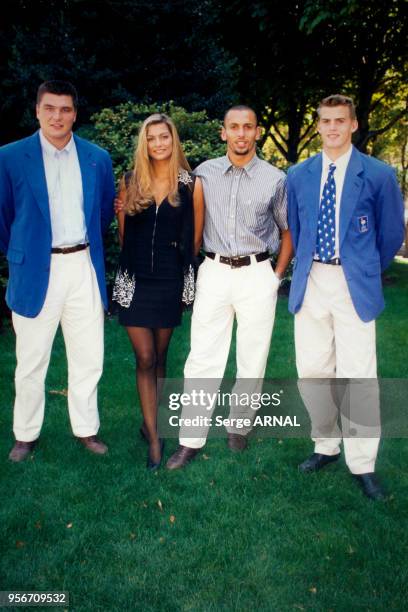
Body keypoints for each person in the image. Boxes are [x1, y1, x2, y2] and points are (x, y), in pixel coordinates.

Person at [287, 94, 404, 500]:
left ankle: (363, 463)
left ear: (354, 125)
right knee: (313, 371)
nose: (333, 127)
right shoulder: (299, 174)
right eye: (326, 121)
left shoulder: (377, 174)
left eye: (340, 120)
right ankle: (325, 445)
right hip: (313, 279)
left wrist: (362, 266)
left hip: (354, 283)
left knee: (358, 374)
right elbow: (297, 228)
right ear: (317, 125)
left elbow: (390, 235)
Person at [166, 105, 293, 470]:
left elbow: (287, 231)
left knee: (253, 355)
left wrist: (275, 277)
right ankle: (190, 439)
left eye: (247, 127)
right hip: (214, 270)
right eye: (233, 127)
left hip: (257, 273)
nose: (240, 134)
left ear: (257, 133)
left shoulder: (275, 179)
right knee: (203, 356)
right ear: (223, 132)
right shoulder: (203, 173)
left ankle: (239, 425)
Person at [0, 80, 115, 462]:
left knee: (88, 356)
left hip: (82, 265)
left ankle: (86, 429)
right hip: (35, 268)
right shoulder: (11, 157)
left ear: (75, 114)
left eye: (65, 109)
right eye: (49, 108)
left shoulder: (97, 158)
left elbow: (101, 215)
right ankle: (25, 434)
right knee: (31, 359)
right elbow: (4, 218)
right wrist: (24, 252)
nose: (57, 116)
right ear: (37, 110)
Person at [112, 113, 204, 470]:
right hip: (135, 280)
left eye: (164, 137)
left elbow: (194, 237)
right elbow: (123, 234)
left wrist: (181, 272)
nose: (158, 144)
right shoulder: (131, 181)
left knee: (162, 358)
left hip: (170, 279)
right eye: (151, 138)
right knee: (146, 358)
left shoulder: (190, 183)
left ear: (173, 139)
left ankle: (153, 421)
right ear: (144, 143)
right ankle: (154, 440)